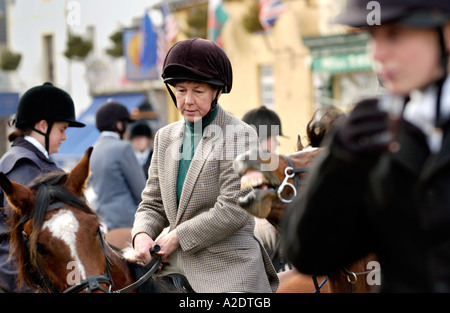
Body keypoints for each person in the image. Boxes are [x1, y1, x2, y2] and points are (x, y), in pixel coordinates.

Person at [283, 0, 450, 292]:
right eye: (373, 36)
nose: (377, 54)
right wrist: (340, 164)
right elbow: (312, 255)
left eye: (395, 34)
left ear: (446, 32)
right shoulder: (381, 138)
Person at [132, 37, 278, 293]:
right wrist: (142, 234)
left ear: (217, 92)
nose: (187, 100)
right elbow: (152, 202)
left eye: (198, 91)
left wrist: (177, 237)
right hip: (173, 268)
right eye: (180, 90)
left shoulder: (242, 136)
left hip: (229, 270)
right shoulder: (164, 137)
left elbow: (235, 208)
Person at [0, 82, 85, 292]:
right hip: (23, 283)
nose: (65, 137)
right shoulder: (23, 166)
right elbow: (21, 237)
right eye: (62, 129)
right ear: (43, 126)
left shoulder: (35, 162)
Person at [89, 101, 146, 231]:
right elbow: (141, 191)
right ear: (120, 125)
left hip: (102, 221)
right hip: (127, 222)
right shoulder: (123, 147)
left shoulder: (93, 150)